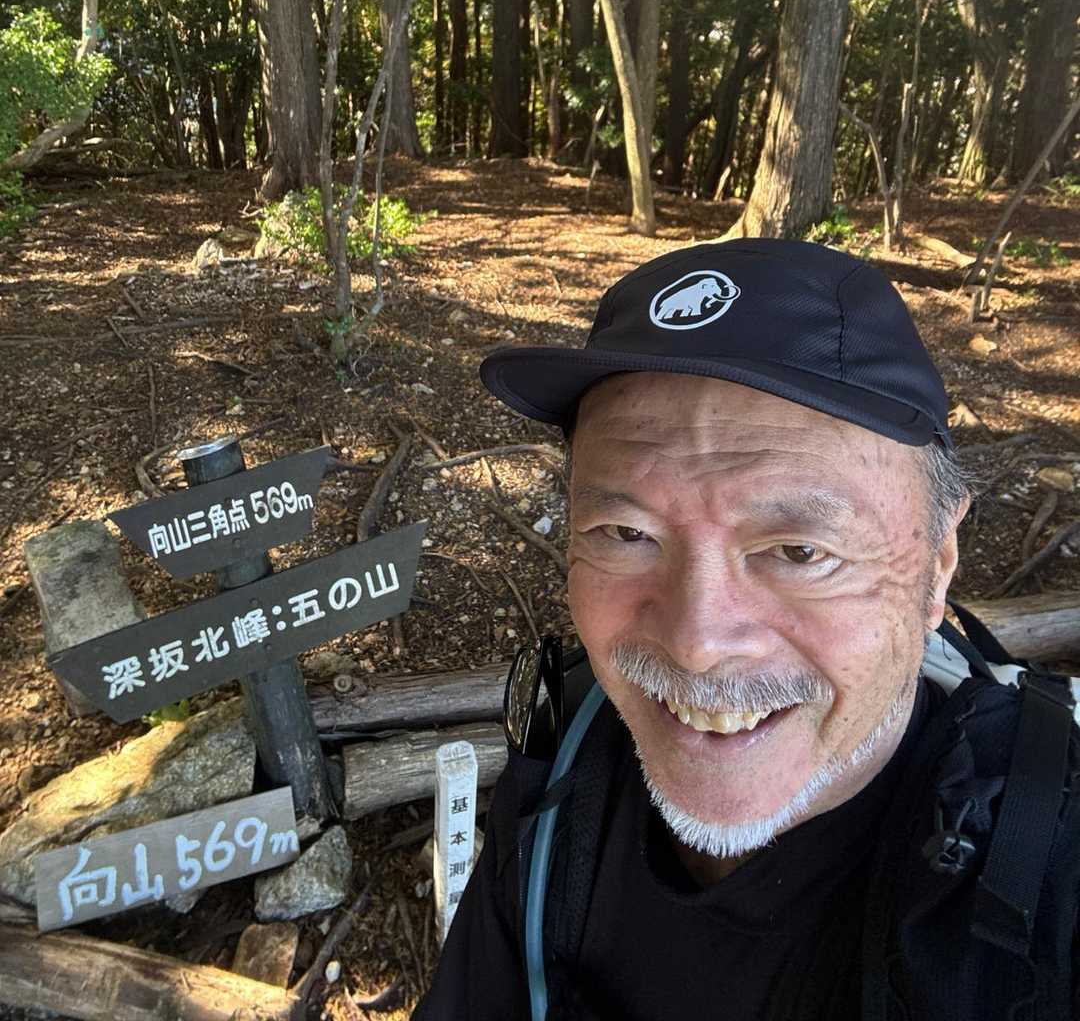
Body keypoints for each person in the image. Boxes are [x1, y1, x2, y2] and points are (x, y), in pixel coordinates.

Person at [413, 239, 1080, 1021]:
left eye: (799, 551)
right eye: (627, 534)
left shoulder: (1052, 884)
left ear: (937, 565)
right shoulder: (566, 760)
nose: (696, 644)